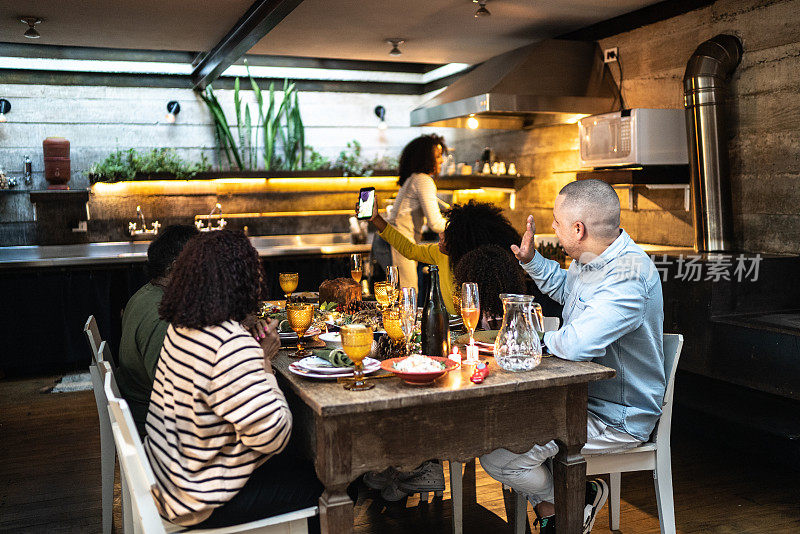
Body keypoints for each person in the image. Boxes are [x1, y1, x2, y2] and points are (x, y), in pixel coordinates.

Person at [479, 179, 665, 534]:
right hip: (581, 399)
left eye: (557, 221)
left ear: (578, 229)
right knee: (497, 433)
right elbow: (568, 290)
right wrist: (532, 261)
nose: (553, 227)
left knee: (501, 456)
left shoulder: (629, 276)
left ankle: (569, 503)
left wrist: (528, 338)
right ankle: (568, 507)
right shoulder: (592, 259)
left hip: (617, 415)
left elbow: (578, 345)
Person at [145, 230, 323, 529]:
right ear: (240, 281)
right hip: (198, 499)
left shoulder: (184, 325)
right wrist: (264, 361)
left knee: (302, 459)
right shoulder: (228, 343)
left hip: (171, 479)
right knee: (329, 482)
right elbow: (274, 435)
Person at [368, 200, 525, 315]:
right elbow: (409, 250)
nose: (441, 234)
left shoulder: (480, 266)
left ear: (464, 240)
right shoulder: (438, 253)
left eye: (450, 232)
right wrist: (376, 219)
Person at [117, 224, 198, 436]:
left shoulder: (146, 294)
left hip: (141, 408)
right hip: (157, 427)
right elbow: (175, 396)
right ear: (175, 267)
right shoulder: (162, 318)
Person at [380, 134, 448, 291]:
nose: (441, 160)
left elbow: (437, 206)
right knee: (408, 293)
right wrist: (462, 227)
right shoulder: (423, 180)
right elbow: (436, 223)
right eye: (438, 156)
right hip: (397, 242)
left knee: (400, 295)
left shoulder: (414, 178)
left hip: (390, 241)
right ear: (426, 157)